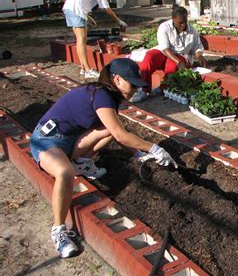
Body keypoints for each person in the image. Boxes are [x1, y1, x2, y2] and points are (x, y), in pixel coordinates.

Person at [30, 58, 177, 258]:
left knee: (108, 129)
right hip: (47, 141)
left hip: (72, 141)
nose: (135, 90)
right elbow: (120, 135)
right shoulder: (101, 95)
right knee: (65, 173)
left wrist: (138, 153)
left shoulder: (110, 95)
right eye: (132, 84)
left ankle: (82, 163)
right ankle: (59, 230)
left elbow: (115, 131)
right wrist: (155, 149)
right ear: (117, 79)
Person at [130, 6, 207, 102]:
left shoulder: (192, 31)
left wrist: (199, 56)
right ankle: (144, 90)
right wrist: (178, 61)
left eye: (185, 22)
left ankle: (162, 88)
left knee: (172, 66)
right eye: (180, 23)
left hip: (181, 55)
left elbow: (197, 47)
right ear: (173, 19)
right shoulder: (164, 27)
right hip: (164, 52)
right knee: (149, 57)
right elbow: (165, 48)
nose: (183, 25)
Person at [62, 0, 128, 79]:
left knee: (79, 40)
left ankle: (83, 68)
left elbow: (81, 0)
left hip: (68, 9)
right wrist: (119, 21)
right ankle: (88, 70)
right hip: (77, 11)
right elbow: (107, 9)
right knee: (82, 40)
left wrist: (86, 17)